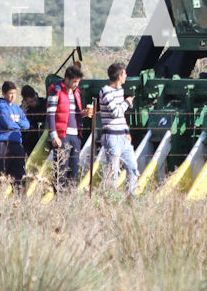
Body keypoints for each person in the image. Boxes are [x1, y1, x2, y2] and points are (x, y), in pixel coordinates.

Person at [97, 62, 139, 198]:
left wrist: (126, 131)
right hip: (111, 136)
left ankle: (131, 197)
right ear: (120, 75)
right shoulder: (105, 91)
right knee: (113, 171)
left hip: (122, 136)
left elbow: (121, 116)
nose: (126, 76)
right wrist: (127, 102)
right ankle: (110, 198)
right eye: (125, 73)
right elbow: (115, 112)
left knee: (132, 167)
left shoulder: (119, 91)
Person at [46, 65, 90, 191]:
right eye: (75, 81)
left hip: (75, 135)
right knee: (61, 170)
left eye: (78, 82)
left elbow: (73, 113)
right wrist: (54, 135)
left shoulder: (76, 92)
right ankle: (59, 199)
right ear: (67, 79)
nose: (76, 84)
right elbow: (50, 114)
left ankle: (71, 199)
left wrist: (83, 114)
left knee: (74, 170)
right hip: (62, 135)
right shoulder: (56, 90)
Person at [0, 81, 30, 184]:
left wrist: (16, 121)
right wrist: (18, 126)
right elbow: (7, 124)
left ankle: (19, 198)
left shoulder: (17, 108)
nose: (13, 96)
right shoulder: (1, 107)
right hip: (3, 143)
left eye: (14, 93)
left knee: (19, 176)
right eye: (10, 93)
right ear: (4, 93)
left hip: (16, 144)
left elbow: (27, 125)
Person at [20, 84, 45, 156]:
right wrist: (23, 114)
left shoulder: (43, 103)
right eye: (31, 102)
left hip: (41, 139)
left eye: (35, 100)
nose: (34, 103)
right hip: (28, 143)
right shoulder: (22, 109)